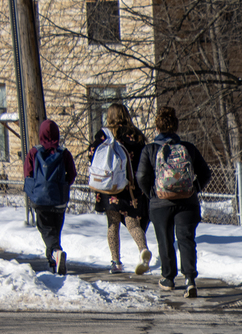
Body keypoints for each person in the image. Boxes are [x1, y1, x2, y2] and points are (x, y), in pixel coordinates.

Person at [135, 106, 211, 298]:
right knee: (186, 239)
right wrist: (194, 188)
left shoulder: (150, 150)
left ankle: (168, 278)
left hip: (160, 202)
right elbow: (205, 173)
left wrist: (152, 193)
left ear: (157, 127)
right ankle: (190, 280)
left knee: (165, 239)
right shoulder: (188, 148)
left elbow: (142, 176)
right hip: (187, 201)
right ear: (175, 126)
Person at [88, 103, 153, 275]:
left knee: (113, 224)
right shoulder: (136, 135)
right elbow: (143, 160)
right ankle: (142, 250)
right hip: (130, 186)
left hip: (110, 186)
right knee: (132, 223)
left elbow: (91, 155)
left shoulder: (103, 135)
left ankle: (116, 262)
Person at [23, 119, 76, 275]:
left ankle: (55, 253)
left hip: (40, 198)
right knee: (55, 231)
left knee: (46, 230)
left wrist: (32, 191)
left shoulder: (34, 152)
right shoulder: (64, 153)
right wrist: (63, 185)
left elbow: (28, 174)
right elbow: (72, 175)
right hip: (58, 198)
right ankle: (53, 262)